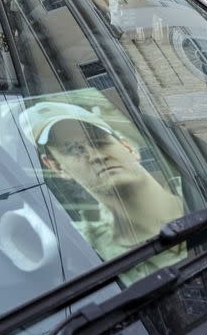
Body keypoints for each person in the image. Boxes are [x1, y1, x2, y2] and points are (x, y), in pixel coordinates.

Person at [19, 102, 186, 281]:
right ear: (57, 167)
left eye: (99, 142)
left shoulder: (206, 192)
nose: (96, 156)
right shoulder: (86, 252)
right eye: (73, 150)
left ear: (128, 147)